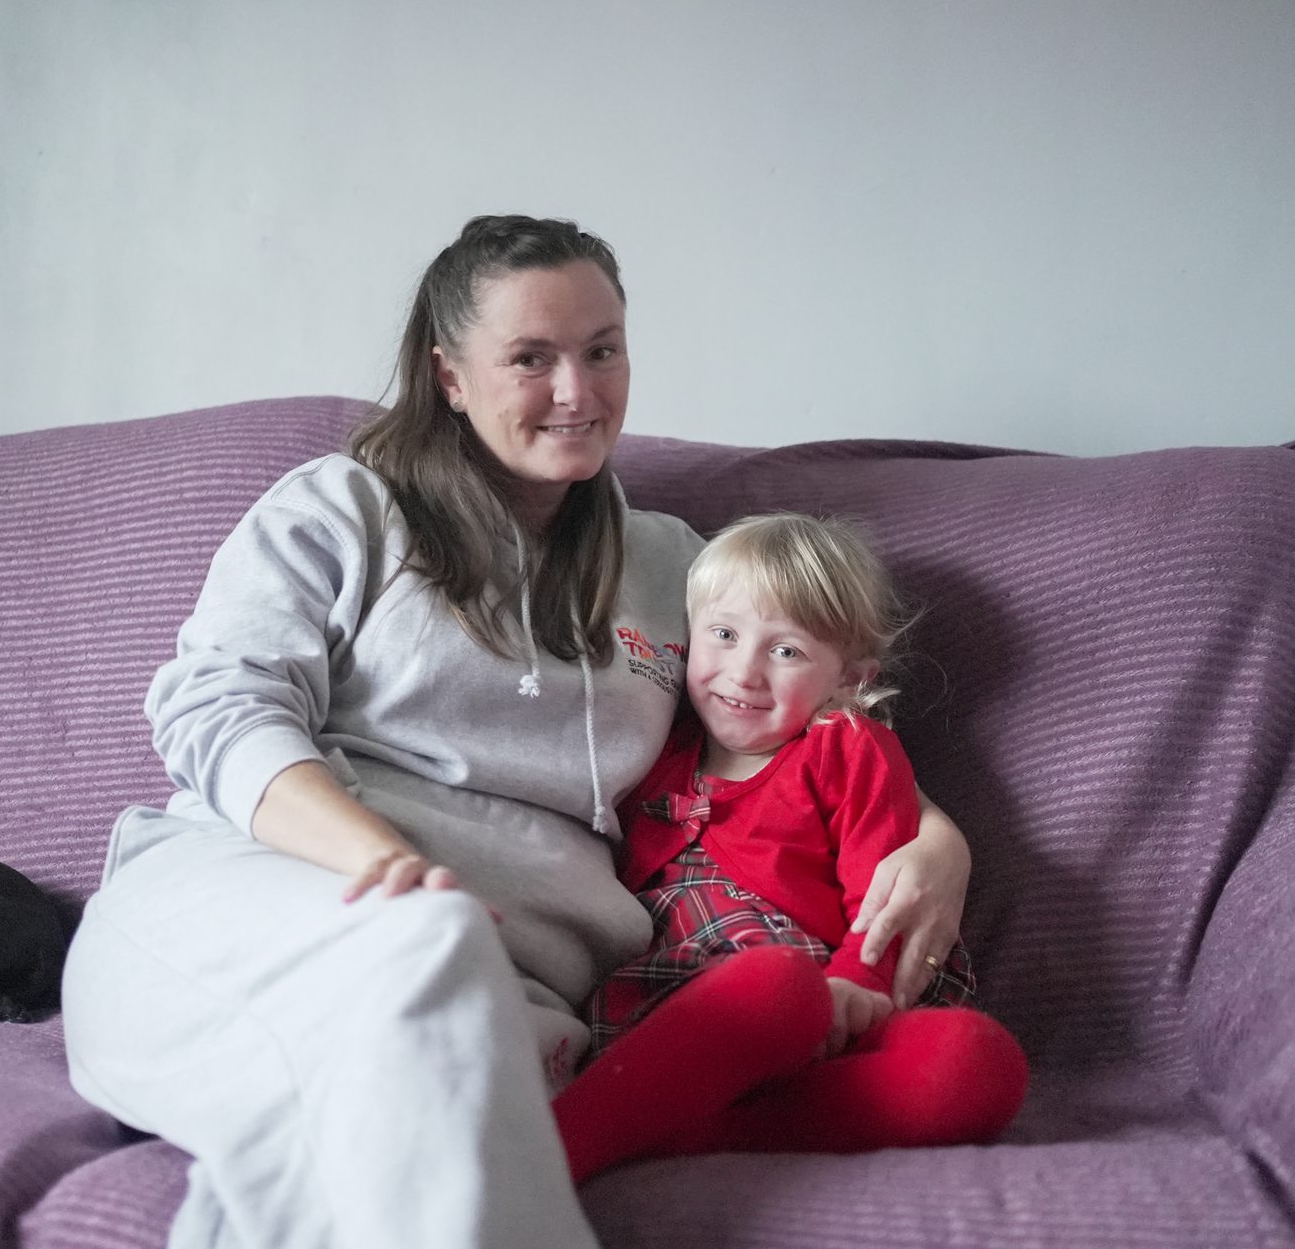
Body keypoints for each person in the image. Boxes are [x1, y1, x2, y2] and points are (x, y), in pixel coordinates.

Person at [58, 216, 977, 1249]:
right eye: (531, 359)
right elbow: (215, 706)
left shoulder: (677, 568)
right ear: (451, 376)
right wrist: (393, 869)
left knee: (401, 1108)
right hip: (243, 903)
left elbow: (791, 718)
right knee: (421, 978)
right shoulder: (342, 510)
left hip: (513, 992)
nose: (578, 392)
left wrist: (937, 837)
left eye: (602, 349)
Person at [553, 514, 1028, 1183]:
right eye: (723, 635)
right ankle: (564, 1147)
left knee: (976, 1060)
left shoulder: (845, 748)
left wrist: (855, 983)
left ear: (849, 680)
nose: (744, 672)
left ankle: (699, 1135)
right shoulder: (656, 750)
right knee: (774, 987)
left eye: (787, 651)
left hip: (840, 998)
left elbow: (884, 887)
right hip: (701, 1015)